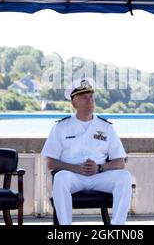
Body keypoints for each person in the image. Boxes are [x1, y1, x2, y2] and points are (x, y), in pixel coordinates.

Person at [41, 78, 132, 225]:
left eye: (91, 97)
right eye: (84, 97)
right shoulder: (61, 127)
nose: (89, 101)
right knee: (60, 178)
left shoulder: (106, 127)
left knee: (124, 177)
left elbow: (120, 162)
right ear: (73, 103)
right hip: (73, 176)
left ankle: (117, 228)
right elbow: (51, 162)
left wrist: (100, 168)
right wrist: (75, 168)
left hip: (99, 176)